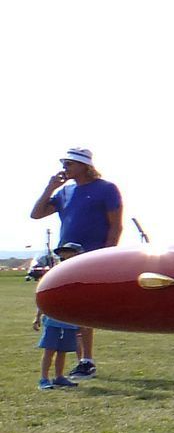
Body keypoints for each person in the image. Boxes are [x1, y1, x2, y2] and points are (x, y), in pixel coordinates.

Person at [29, 148, 121, 379]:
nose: (65, 167)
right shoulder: (65, 192)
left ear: (84, 165)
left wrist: (106, 256)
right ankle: (80, 360)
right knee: (71, 308)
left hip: (92, 255)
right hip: (67, 256)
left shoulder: (106, 189)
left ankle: (86, 360)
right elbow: (36, 214)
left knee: (84, 309)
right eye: (64, 163)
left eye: (69, 163)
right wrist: (51, 188)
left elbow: (115, 225)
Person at [35, 243, 84, 389]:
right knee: (49, 350)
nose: (66, 255)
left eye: (70, 252)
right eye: (64, 252)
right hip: (53, 319)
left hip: (69, 321)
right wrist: (37, 316)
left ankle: (59, 377)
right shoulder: (56, 272)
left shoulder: (81, 273)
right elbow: (44, 295)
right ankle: (44, 379)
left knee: (63, 351)